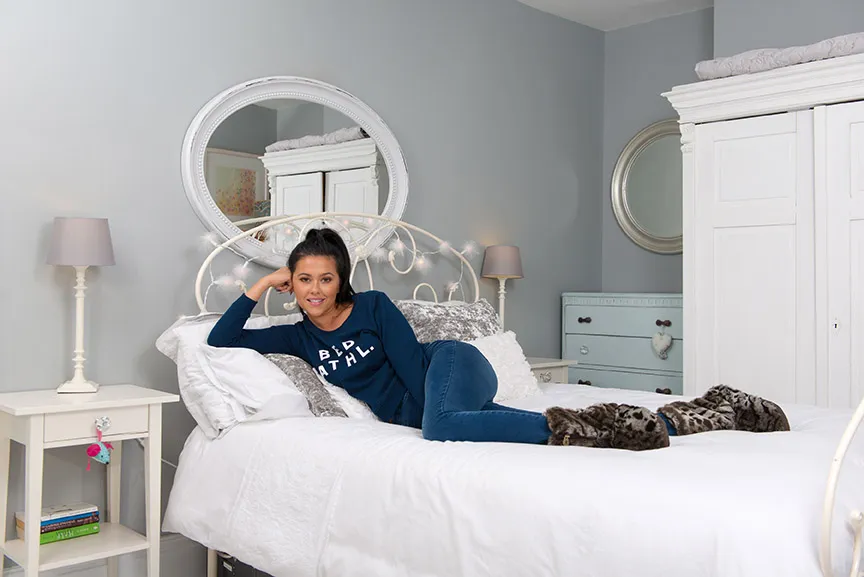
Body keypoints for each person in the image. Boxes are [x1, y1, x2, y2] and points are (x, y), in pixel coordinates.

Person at [208, 227, 790, 451]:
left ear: (343, 280)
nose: (313, 289)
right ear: (293, 284)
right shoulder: (295, 339)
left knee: (440, 425)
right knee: (464, 420)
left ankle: (596, 432)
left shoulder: (377, 306)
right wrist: (259, 285)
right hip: (448, 398)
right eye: (303, 279)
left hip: (453, 366)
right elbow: (220, 338)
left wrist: (438, 417)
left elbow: (413, 368)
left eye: (324, 278)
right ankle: (690, 416)